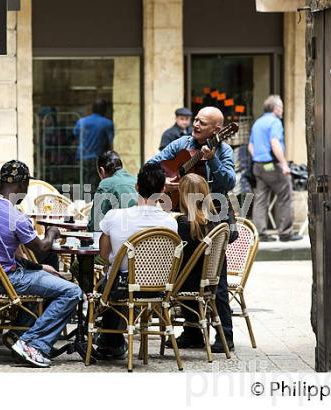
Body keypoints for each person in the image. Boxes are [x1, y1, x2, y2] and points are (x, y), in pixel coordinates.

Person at [0, 160, 82, 368]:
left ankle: (19, 332)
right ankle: (33, 344)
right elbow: (41, 248)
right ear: (23, 185)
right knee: (72, 292)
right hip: (6, 279)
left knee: (49, 276)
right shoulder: (17, 218)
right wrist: (50, 232)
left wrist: (40, 268)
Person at [147, 106, 236, 353]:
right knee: (187, 274)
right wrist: (163, 181)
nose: (196, 124)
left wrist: (212, 160)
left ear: (217, 130)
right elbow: (151, 165)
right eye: (195, 120)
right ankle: (193, 332)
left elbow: (228, 182)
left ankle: (225, 336)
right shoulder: (181, 144)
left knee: (215, 278)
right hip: (186, 219)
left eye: (202, 122)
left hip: (213, 220)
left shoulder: (224, 150)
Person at [95, 162, 178, 358]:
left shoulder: (114, 216)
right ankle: (112, 342)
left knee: (109, 279)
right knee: (114, 278)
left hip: (121, 288)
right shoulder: (170, 222)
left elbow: (104, 257)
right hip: (159, 288)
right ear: (163, 190)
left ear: (137, 187)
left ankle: (111, 341)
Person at [167, 173, 221, 348]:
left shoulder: (184, 223)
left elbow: (177, 257)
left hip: (187, 283)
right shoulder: (212, 222)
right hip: (207, 281)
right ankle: (192, 332)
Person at [249, 95, 302, 242]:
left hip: (258, 166)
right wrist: (284, 164)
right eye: (281, 108)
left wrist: (258, 159)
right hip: (272, 165)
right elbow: (274, 143)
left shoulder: (257, 123)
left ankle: (260, 233)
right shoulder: (275, 122)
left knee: (261, 199)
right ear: (275, 108)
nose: (282, 111)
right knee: (285, 196)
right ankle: (285, 233)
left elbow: (250, 146)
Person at [87, 150, 138, 231]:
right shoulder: (136, 180)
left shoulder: (106, 185)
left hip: (119, 239)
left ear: (102, 171)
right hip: (140, 238)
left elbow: (95, 225)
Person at [73, 99, 114, 193]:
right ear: (105, 110)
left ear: (92, 109)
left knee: (82, 183)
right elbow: (111, 143)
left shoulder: (81, 122)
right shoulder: (107, 123)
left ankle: (83, 204)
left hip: (81, 157)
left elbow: (75, 136)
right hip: (98, 159)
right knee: (96, 185)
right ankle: (93, 204)